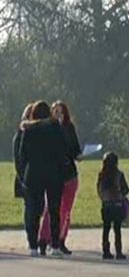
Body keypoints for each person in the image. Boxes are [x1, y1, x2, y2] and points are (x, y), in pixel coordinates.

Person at [19, 100, 67, 257]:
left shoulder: (29, 129)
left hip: (34, 173)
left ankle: (33, 246)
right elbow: (62, 151)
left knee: (33, 211)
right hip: (53, 173)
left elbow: (22, 154)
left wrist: (25, 171)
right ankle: (54, 246)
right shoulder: (56, 128)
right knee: (54, 210)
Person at [38, 101, 82, 255]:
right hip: (54, 175)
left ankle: (61, 240)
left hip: (69, 173)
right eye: (55, 112)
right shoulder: (47, 129)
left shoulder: (69, 128)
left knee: (66, 211)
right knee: (51, 210)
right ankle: (43, 240)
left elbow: (75, 148)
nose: (58, 115)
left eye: (61, 112)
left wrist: (78, 155)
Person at [97, 152, 129, 260]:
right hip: (117, 205)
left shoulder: (102, 175)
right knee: (117, 229)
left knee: (106, 229)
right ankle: (118, 251)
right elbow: (126, 190)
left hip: (106, 205)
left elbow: (99, 190)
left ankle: (106, 251)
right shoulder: (119, 174)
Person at [12, 103, 33, 229]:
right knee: (30, 207)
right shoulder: (19, 136)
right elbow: (18, 160)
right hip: (26, 177)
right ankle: (31, 236)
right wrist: (23, 178)